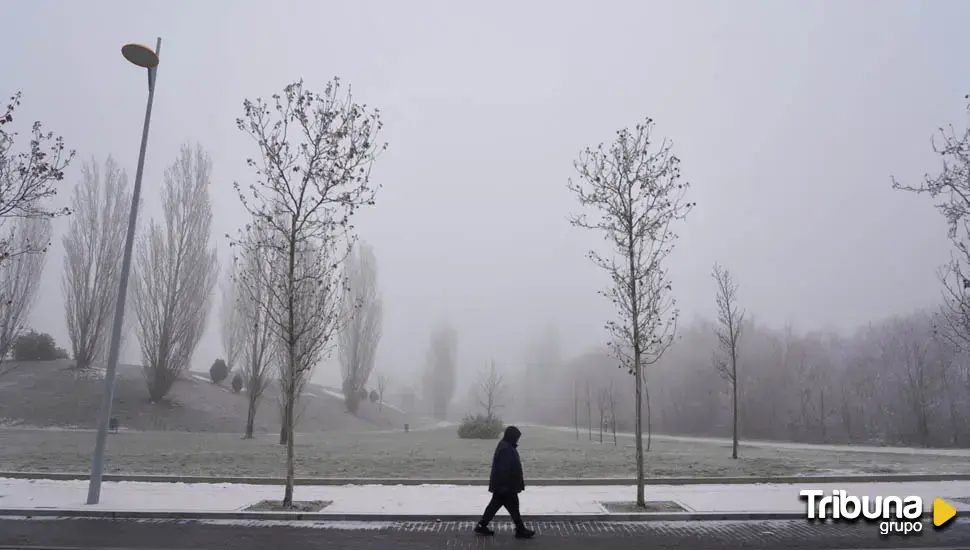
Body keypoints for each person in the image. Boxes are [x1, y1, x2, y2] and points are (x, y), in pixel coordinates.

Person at [474, 425, 536, 538]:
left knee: (495, 506)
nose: (517, 440)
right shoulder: (506, 449)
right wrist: (504, 486)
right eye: (516, 438)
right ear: (512, 437)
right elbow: (504, 469)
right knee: (513, 507)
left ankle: (482, 525)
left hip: (503, 486)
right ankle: (520, 530)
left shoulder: (506, 446)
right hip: (506, 486)